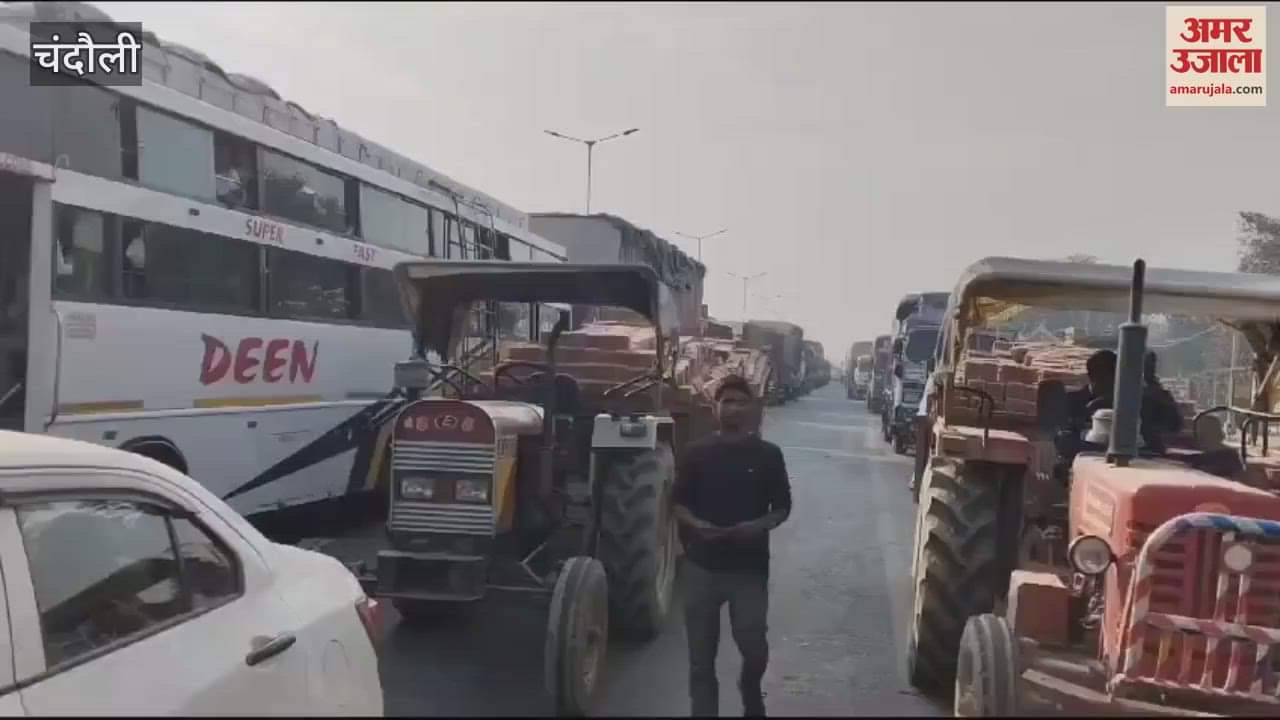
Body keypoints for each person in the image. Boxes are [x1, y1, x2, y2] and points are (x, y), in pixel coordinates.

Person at [673, 375, 792, 718]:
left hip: (748, 570)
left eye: (741, 401)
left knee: (754, 650)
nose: (734, 408)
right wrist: (698, 526)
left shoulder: (769, 455)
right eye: (727, 401)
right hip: (701, 568)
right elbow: (678, 502)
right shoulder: (696, 453)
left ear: (752, 408)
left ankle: (750, 687)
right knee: (700, 661)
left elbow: (782, 507)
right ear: (715, 409)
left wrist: (754, 527)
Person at [1140, 351, 1182, 453]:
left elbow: (1174, 426)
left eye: (1150, 366)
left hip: (1152, 452)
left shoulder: (1160, 396)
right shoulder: (1118, 396)